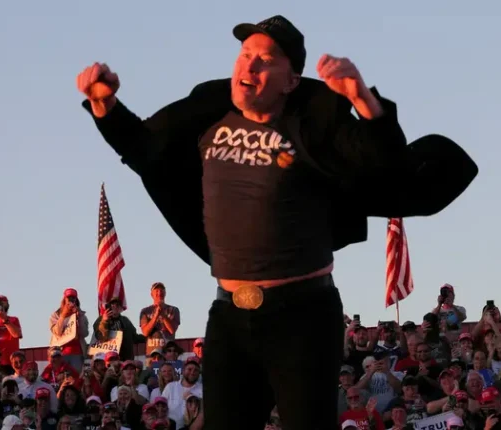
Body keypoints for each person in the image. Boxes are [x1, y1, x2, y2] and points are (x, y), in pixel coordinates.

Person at [76, 15, 478, 429]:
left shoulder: (313, 123)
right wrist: (105, 105)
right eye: (245, 54)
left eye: (265, 60)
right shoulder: (208, 113)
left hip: (303, 315)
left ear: (291, 81)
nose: (249, 66)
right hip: (230, 314)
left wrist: (362, 99)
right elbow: (146, 149)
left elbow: (381, 163)